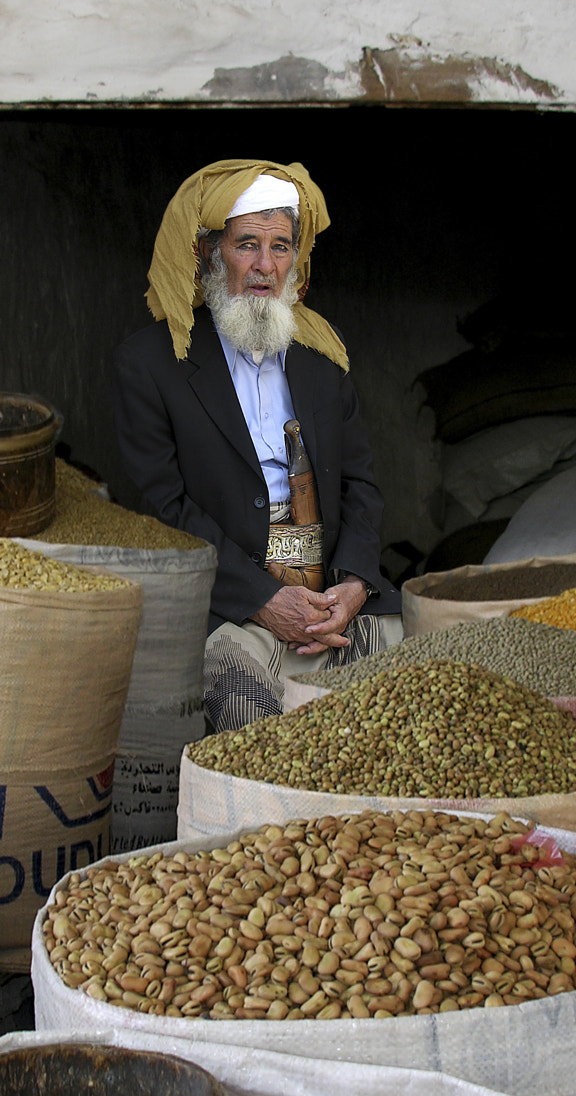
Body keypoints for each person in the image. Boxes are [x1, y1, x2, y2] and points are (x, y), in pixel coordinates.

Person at [113, 158, 400, 729]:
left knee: (406, 701)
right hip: (233, 598)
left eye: (281, 246)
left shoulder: (323, 355)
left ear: (298, 258)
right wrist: (263, 600)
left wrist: (353, 583)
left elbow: (361, 486)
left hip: (332, 593)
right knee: (249, 713)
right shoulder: (152, 362)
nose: (265, 266)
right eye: (247, 245)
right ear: (208, 254)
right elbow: (162, 507)